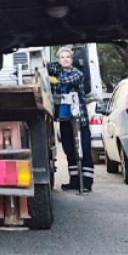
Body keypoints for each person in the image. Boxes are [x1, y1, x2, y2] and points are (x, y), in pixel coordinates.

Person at [48, 47, 94, 192]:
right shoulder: (57, 71)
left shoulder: (77, 73)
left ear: (72, 59)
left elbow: (63, 82)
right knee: (69, 150)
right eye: (62, 57)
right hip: (64, 119)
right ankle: (74, 181)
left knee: (84, 150)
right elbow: (49, 73)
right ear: (59, 60)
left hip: (79, 121)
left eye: (68, 57)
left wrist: (52, 79)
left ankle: (86, 183)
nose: (66, 59)